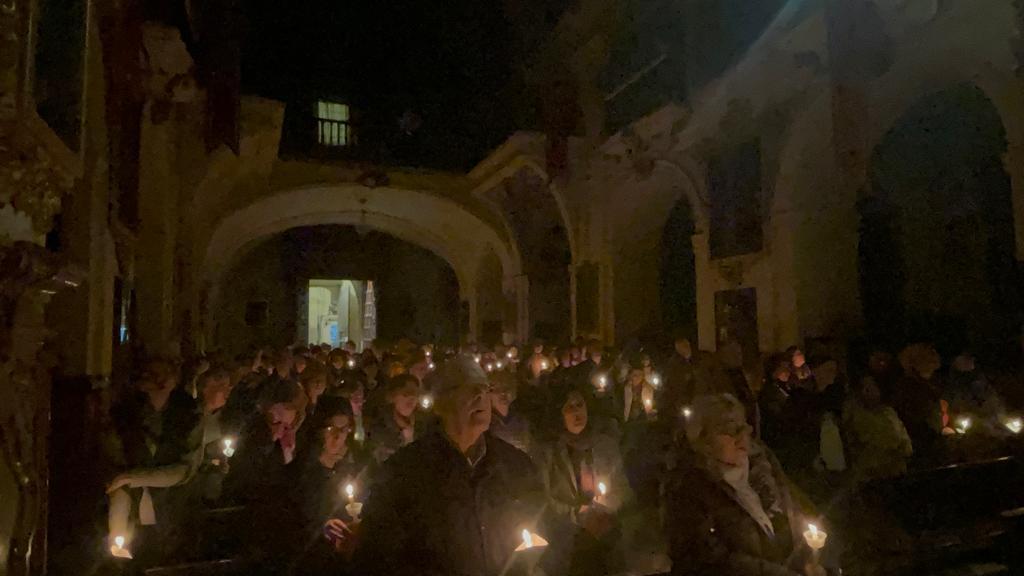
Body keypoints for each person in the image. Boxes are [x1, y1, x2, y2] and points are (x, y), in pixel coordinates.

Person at [354, 356, 562, 576]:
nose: (480, 396)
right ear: (440, 404)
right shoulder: (404, 474)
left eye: (484, 388)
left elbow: (545, 527)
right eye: (467, 389)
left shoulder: (516, 466)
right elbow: (378, 556)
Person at [664, 394, 822, 576]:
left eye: (743, 427)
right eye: (729, 430)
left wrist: (808, 560)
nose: (742, 436)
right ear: (703, 441)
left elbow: (793, 511)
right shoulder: (687, 489)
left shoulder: (762, 463)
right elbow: (709, 561)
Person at [106, 357, 201, 561]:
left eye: (159, 375)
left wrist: (135, 478)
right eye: (148, 374)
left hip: (172, 512)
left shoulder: (190, 414)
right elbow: (117, 475)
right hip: (132, 516)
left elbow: (183, 470)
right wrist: (117, 533)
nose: (153, 380)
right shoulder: (125, 416)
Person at [535, 384, 630, 575]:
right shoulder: (548, 453)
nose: (577, 412)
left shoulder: (605, 445)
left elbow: (622, 487)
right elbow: (544, 498)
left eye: (580, 405)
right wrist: (578, 512)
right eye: (569, 408)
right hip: (568, 540)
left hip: (606, 535)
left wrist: (606, 507)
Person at [293, 398, 370, 576]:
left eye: (343, 430)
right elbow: (299, 509)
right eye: (331, 429)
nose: (338, 436)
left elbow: (371, 496)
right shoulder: (305, 465)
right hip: (315, 550)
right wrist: (322, 525)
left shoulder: (359, 460)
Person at [843, 374, 913, 482]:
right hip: (871, 476)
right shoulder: (855, 416)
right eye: (864, 387)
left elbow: (903, 440)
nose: (867, 391)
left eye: (871, 386)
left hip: (895, 473)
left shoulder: (889, 413)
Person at [366, 374, 421, 464]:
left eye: (415, 394)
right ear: (392, 396)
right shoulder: (378, 427)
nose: (412, 398)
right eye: (407, 393)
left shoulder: (420, 426)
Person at [488, 370, 531, 453]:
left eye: (506, 388)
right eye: (497, 389)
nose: (503, 393)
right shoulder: (485, 424)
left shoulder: (522, 422)